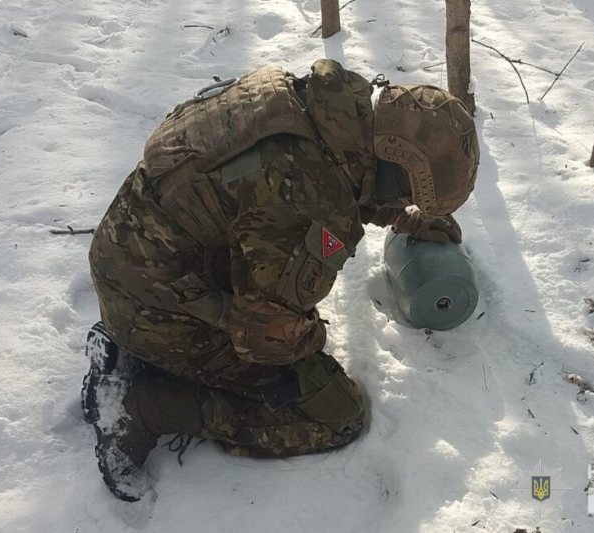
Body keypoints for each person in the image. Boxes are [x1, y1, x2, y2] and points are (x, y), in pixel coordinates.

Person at [83, 59, 479, 501]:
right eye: (406, 191)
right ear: (397, 163)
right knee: (334, 413)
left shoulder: (325, 103)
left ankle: (141, 349)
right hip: (156, 308)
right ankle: (137, 407)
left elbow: (337, 175)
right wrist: (308, 338)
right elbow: (263, 338)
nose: (405, 200)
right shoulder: (309, 201)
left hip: (134, 260)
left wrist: (404, 220)